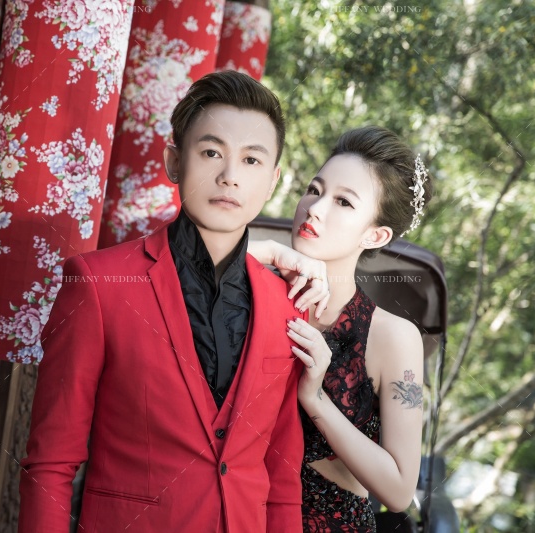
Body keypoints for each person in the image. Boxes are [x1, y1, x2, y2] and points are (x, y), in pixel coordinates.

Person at [19, 71, 329, 533]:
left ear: (272, 181)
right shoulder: (100, 285)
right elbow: (50, 463)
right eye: (211, 152)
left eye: (251, 160)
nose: (229, 176)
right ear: (174, 161)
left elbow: (282, 482)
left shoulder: (288, 307)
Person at [254, 126, 432, 531]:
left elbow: (399, 491)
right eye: (314, 190)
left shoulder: (393, 336)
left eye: (343, 201)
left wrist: (315, 398)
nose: (315, 208)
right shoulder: (250, 290)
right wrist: (265, 251)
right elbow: (179, 268)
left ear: (375, 234)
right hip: (237, 513)